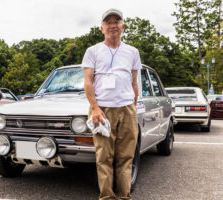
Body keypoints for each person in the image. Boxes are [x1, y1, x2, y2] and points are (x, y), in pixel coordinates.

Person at [81, 8, 142, 200]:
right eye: (108, 22)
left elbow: (134, 82)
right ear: (102, 28)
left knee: (126, 157)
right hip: (102, 110)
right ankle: (106, 197)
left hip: (126, 109)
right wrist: (96, 109)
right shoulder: (93, 51)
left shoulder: (132, 52)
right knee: (104, 157)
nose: (113, 25)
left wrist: (132, 106)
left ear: (123, 26)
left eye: (117, 21)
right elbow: (88, 82)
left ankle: (124, 196)